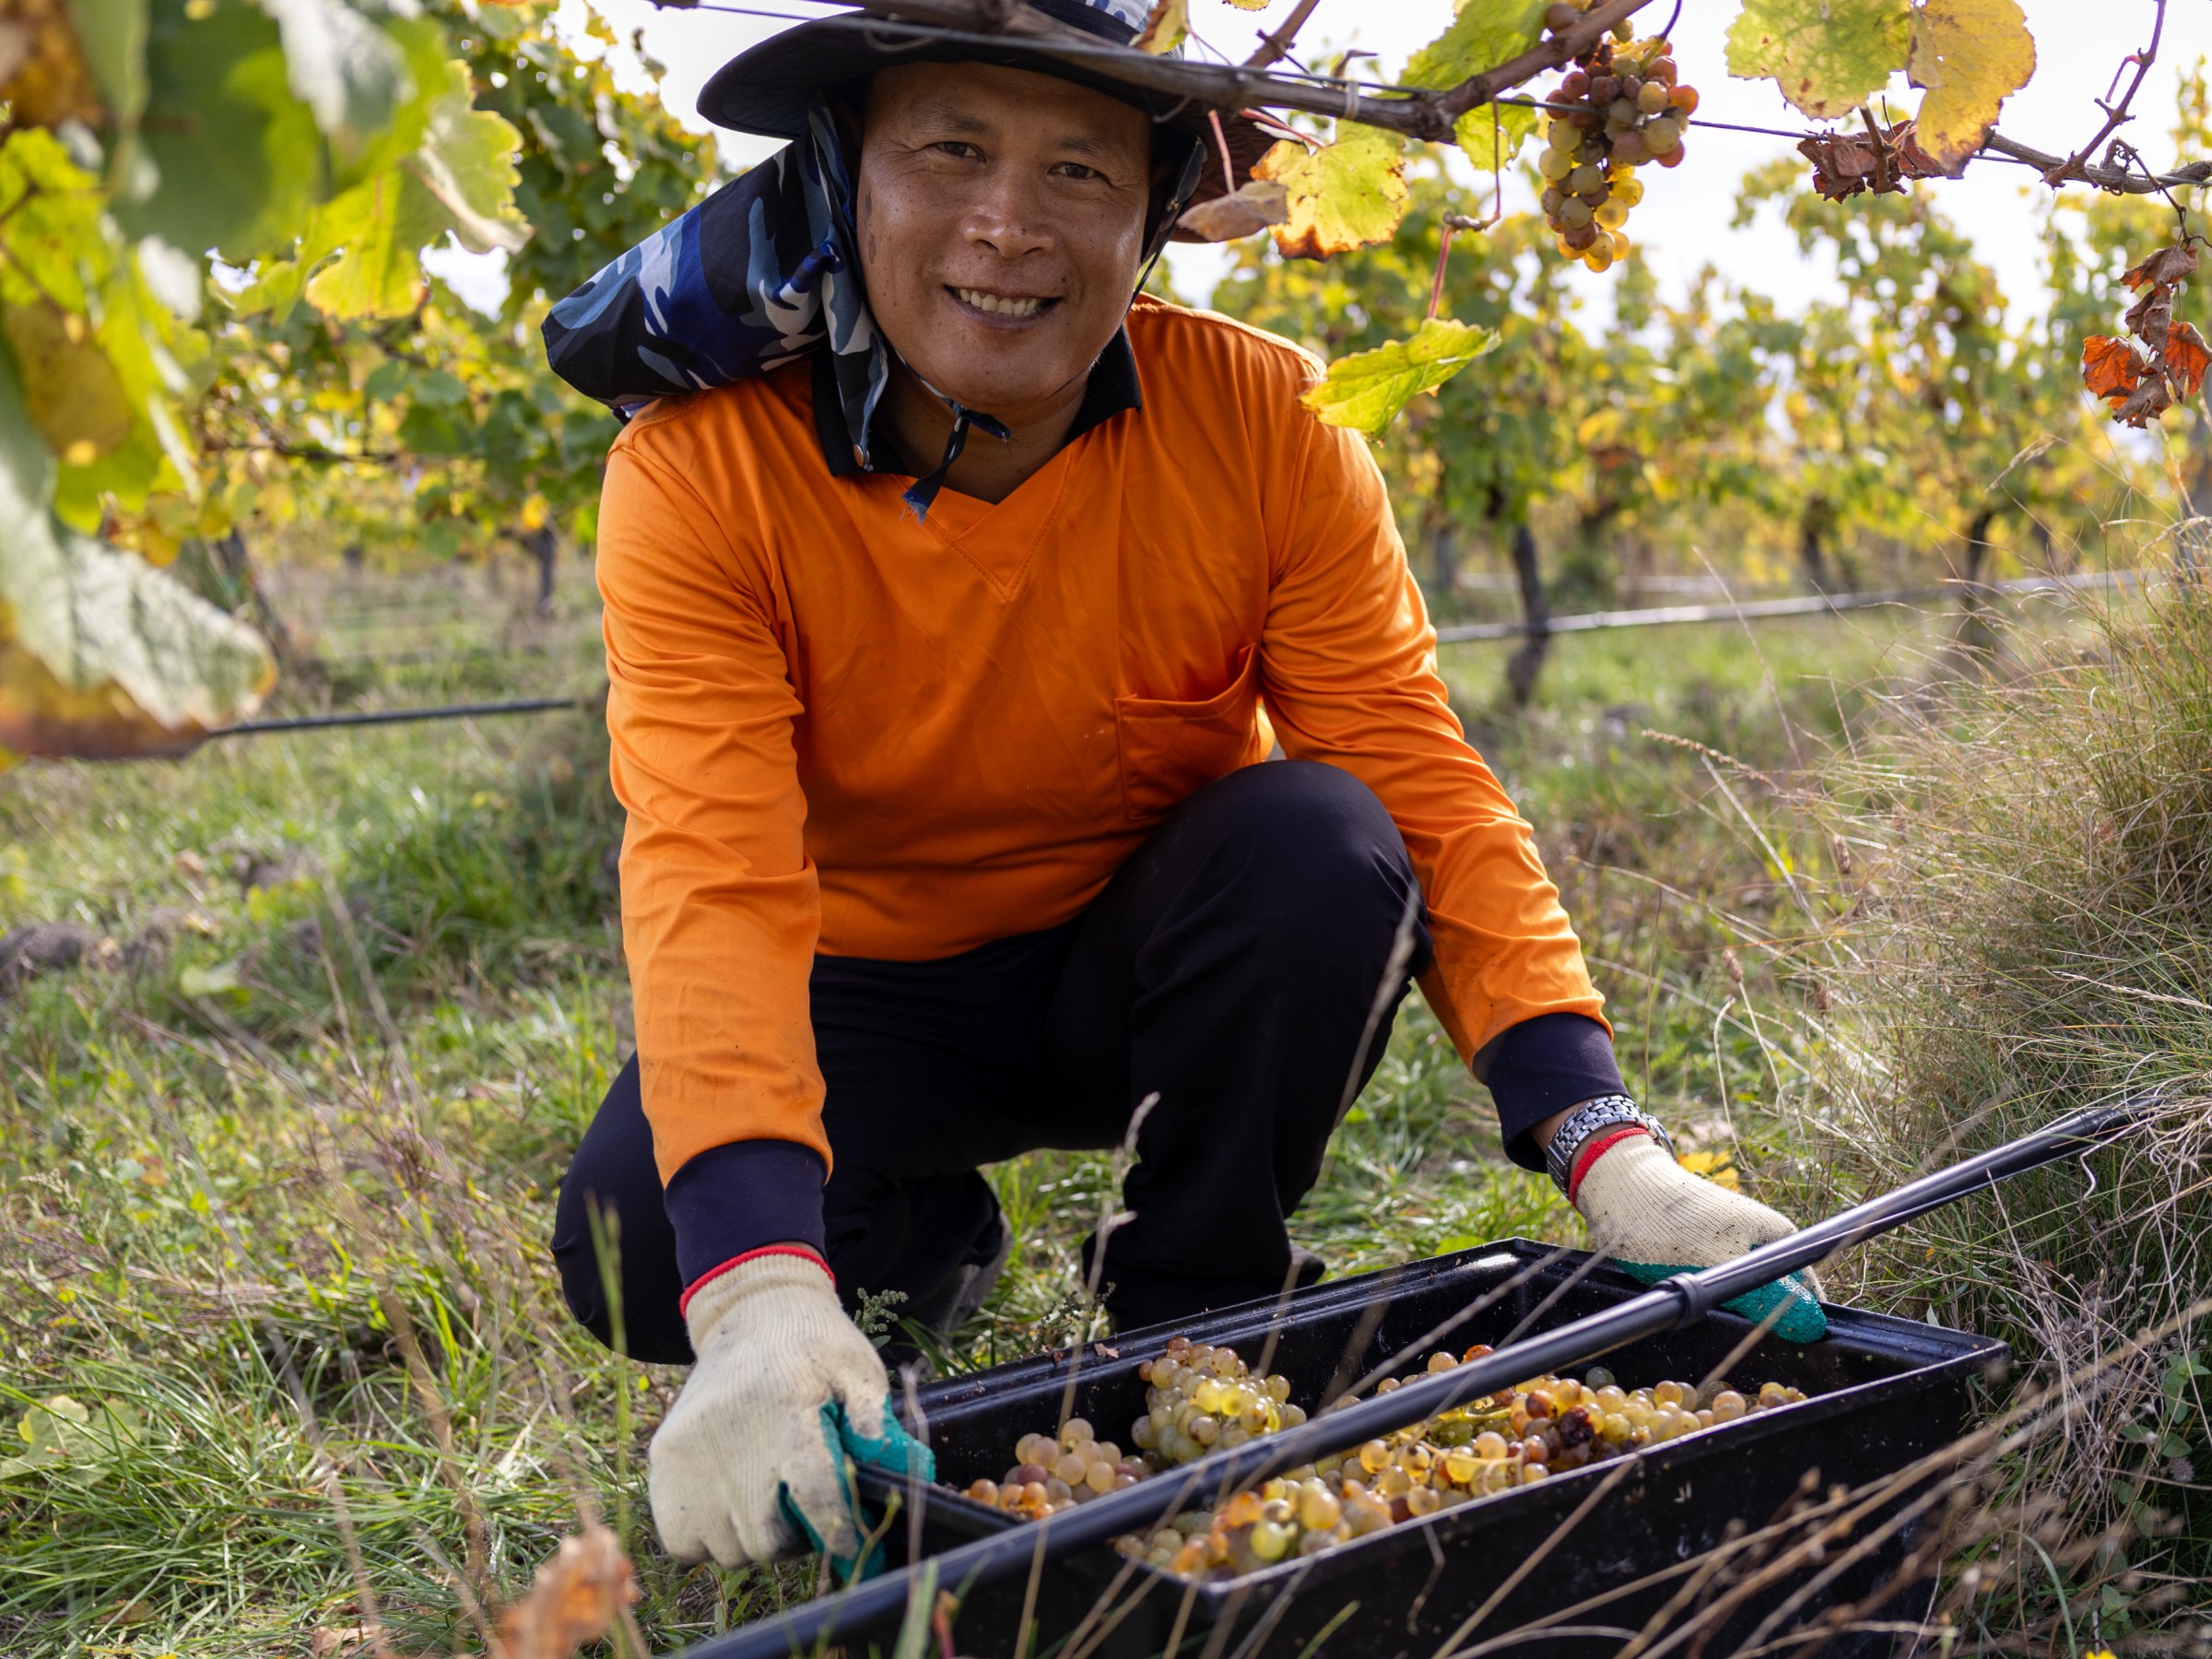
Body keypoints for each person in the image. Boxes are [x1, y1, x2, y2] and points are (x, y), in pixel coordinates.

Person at [540, 0, 1824, 1579]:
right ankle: (902, 1259)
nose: (1009, 225)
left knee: (1321, 839)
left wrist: (1607, 1145)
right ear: (843, 182)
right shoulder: (699, 466)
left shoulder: (1272, 425)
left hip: (1136, 978)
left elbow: (1417, 775)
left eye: (1080, 171)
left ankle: (1196, 1298)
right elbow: (712, 869)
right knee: (635, 1242)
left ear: (1151, 219)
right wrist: (752, 1294)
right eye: (951, 150)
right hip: (857, 991)